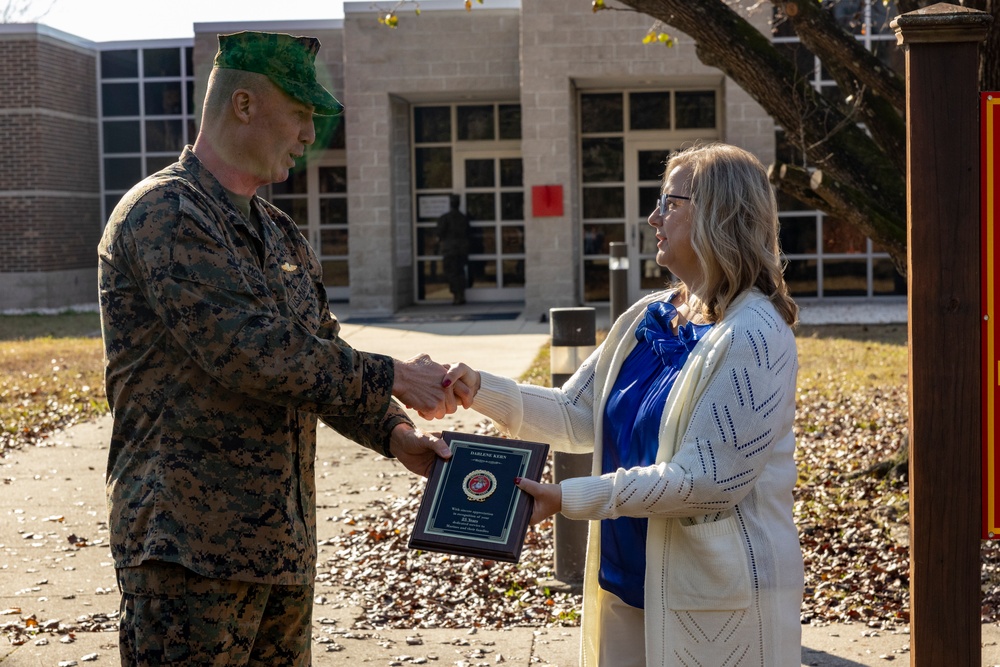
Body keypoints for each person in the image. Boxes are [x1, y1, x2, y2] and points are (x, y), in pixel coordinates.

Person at [97, 31, 455, 666]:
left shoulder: (280, 233)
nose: (308, 137)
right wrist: (394, 374)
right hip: (187, 553)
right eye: (300, 116)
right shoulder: (164, 214)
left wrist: (394, 433)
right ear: (243, 105)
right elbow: (251, 351)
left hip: (279, 549)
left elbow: (317, 355)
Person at [444, 143, 803, 666]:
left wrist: (569, 497)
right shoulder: (648, 316)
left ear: (719, 215)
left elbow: (705, 484)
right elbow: (577, 415)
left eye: (670, 202)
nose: (653, 216)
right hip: (625, 584)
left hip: (717, 609)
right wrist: (478, 389)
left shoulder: (756, 334)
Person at [436, 194, 471, 304]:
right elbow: (468, 233)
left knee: (451, 273)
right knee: (460, 272)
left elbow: (439, 232)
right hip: (462, 249)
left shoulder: (445, 218)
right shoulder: (463, 218)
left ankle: (457, 295)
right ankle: (461, 294)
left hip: (450, 250)